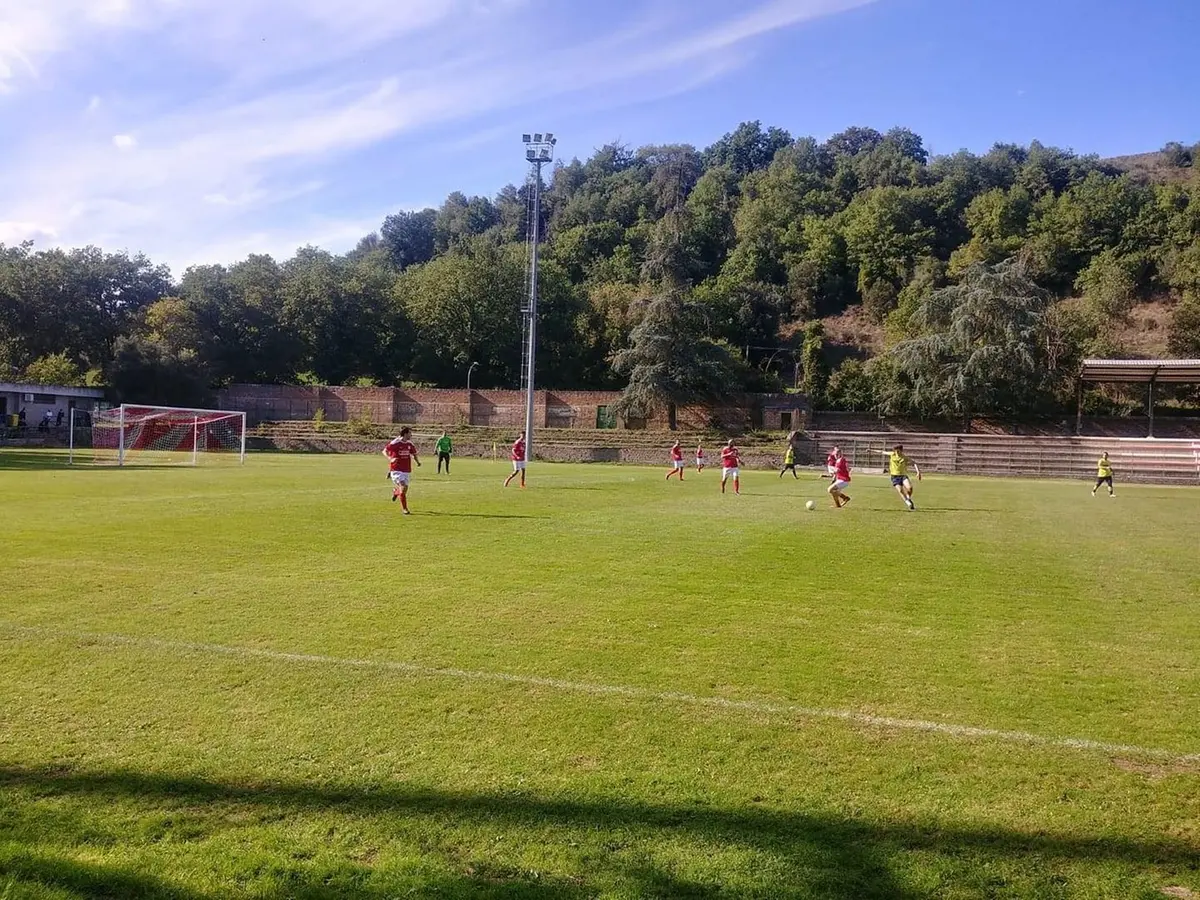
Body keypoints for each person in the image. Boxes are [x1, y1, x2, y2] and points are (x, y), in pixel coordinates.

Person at [382, 427, 421, 515]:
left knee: (404, 490)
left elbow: (414, 454)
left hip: (406, 470)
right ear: (405, 434)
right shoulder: (396, 442)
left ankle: (396, 492)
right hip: (396, 470)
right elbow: (384, 451)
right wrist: (390, 459)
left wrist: (418, 462)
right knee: (403, 487)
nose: (411, 435)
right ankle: (405, 509)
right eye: (410, 433)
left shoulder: (410, 444)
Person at [874, 444, 921, 510]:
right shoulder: (892, 454)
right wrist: (871, 450)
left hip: (903, 475)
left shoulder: (904, 457)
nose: (897, 453)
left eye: (898, 451)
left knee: (910, 488)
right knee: (900, 490)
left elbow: (914, 463)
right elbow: (882, 452)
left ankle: (908, 498)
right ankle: (908, 503)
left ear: (901, 451)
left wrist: (918, 472)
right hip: (894, 476)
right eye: (895, 451)